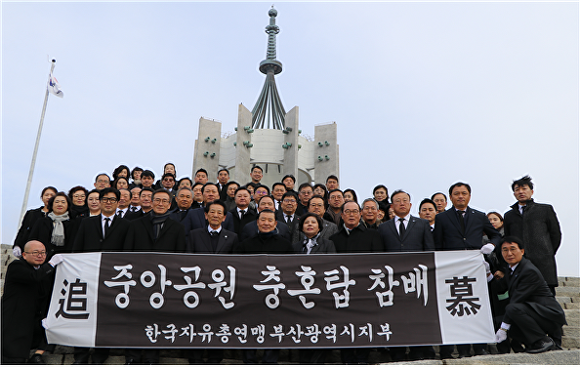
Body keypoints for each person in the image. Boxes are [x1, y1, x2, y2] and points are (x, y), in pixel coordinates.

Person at [433, 182, 501, 358]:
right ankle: (462, 349)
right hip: (452, 269)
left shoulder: (479, 216)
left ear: (469, 196)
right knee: (458, 306)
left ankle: (480, 347)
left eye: (464, 193)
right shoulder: (442, 218)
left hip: (475, 268)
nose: (460, 196)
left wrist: (492, 245)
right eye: (456, 193)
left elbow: (496, 234)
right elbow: (438, 244)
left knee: (476, 306)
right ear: (451, 197)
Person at [123, 189, 185, 364]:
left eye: (164, 201)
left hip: (163, 283)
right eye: (157, 200)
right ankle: (132, 356)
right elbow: (127, 252)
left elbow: (179, 257)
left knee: (157, 319)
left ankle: (152, 357)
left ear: (170, 204)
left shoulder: (178, 228)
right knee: (135, 318)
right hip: (138, 280)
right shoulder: (135, 225)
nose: (160, 203)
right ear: (150, 201)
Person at [71, 188, 129, 364]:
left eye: (112, 199)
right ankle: (80, 355)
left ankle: (100, 355)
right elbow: (77, 249)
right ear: (100, 201)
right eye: (105, 199)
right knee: (83, 316)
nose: (109, 202)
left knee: (106, 317)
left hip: (112, 280)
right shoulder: (87, 223)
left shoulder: (126, 225)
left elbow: (127, 253)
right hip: (87, 277)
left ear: (118, 203)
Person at [377, 191, 435, 361]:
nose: (401, 204)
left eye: (405, 201)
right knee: (396, 317)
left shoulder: (422, 224)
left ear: (410, 205)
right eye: (397, 201)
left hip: (417, 280)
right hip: (393, 282)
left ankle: (418, 351)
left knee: (417, 317)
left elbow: (429, 250)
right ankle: (398, 352)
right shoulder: (383, 227)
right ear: (392, 206)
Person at [234, 209, 292, 365]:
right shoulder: (245, 244)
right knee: (249, 326)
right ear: (257, 223)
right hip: (250, 295)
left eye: (269, 220)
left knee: (274, 328)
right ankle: (249, 361)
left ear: (275, 223)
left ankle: (270, 361)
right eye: (263, 220)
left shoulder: (286, 245)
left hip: (276, 295)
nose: (266, 223)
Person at [491, 236, 566, 354]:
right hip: (532, 313)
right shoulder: (511, 269)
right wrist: (488, 274)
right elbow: (499, 288)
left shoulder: (528, 270)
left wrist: (503, 328)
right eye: (505, 250)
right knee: (498, 320)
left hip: (548, 315)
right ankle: (533, 343)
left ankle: (543, 340)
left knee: (512, 309)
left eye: (512, 249)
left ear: (522, 251)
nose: (509, 253)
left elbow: (516, 300)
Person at [329, 201, 383, 364]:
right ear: (342, 215)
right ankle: (346, 360)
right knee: (344, 325)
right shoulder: (333, 239)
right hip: (341, 291)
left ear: (360, 214)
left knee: (363, 325)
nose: (351, 215)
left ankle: (362, 359)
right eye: (348, 212)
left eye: (354, 211)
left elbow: (378, 263)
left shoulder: (373, 235)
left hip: (365, 290)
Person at [185, 200, 237, 364]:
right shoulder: (194, 234)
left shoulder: (233, 237)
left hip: (221, 290)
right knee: (197, 322)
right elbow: (187, 260)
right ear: (206, 216)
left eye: (219, 213)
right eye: (212, 212)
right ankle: (194, 357)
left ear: (224, 217)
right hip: (198, 288)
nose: (215, 215)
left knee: (218, 322)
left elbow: (235, 264)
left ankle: (215, 358)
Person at [503, 175, 562, 296]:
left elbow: (555, 235)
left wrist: (548, 252)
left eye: (524, 188)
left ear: (532, 191)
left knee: (547, 302)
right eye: (517, 189)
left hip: (543, 263)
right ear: (514, 193)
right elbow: (508, 239)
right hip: (520, 264)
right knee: (522, 302)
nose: (521, 192)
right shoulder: (509, 215)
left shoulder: (545, 209)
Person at [1, 241, 58, 364]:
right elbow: (34, 277)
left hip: (31, 322)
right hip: (12, 323)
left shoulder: (43, 272)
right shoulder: (16, 266)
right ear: (24, 255)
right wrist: (51, 264)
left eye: (43, 253)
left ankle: (37, 355)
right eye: (35, 253)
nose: (40, 256)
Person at [28, 192, 80, 259]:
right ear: (51, 205)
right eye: (57, 202)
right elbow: (32, 240)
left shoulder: (74, 224)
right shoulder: (41, 221)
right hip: (42, 259)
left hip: (65, 261)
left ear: (68, 205)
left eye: (63, 202)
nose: (60, 204)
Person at [13, 186, 57, 255]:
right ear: (42, 198)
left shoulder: (57, 215)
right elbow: (23, 230)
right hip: (30, 250)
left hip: (48, 252)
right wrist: (17, 245)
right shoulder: (31, 213)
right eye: (46, 195)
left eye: (52, 195)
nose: (49, 197)